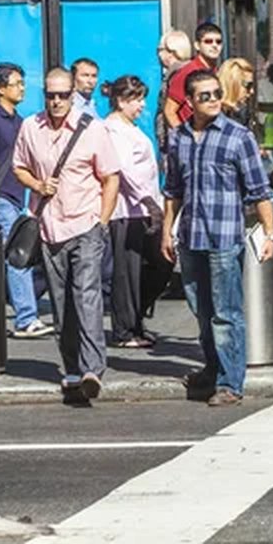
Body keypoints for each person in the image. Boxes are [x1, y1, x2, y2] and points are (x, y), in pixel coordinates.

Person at [161, 69, 273, 407]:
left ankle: (230, 383)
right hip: (191, 236)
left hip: (225, 236)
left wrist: (270, 234)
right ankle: (212, 369)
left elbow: (259, 190)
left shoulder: (238, 137)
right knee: (201, 310)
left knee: (226, 313)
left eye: (217, 93)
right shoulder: (179, 138)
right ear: (189, 101)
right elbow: (173, 189)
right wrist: (167, 231)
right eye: (205, 96)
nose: (213, 100)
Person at [13, 68, 120, 404]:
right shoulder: (31, 127)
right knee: (61, 303)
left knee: (86, 295)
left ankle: (93, 370)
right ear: (44, 95)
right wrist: (37, 184)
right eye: (51, 95)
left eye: (62, 95)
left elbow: (111, 177)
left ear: (73, 95)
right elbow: (18, 166)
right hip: (49, 227)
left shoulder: (93, 129)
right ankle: (72, 369)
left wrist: (102, 221)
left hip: (86, 224)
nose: (56, 101)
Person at [0, 63, 53, 339]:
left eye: (22, 83)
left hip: (19, 197)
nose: (22, 88)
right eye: (16, 83)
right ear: (0, 88)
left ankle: (20, 312)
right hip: (0, 198)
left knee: (18, 254)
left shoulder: (19, 121)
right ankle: (26, 318)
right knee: (18, 255)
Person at [103, 76, 168, 349]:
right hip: (127, 211)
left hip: (144, 209)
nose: (142, 105)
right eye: (136, 99)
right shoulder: (113, 129)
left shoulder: (131, 127)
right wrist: (147, 200)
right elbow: (124, 170)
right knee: (127, 272)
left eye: (142, 98)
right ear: (121, 101)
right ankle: (125, 329)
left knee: (159, 265)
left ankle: (137, 318)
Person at [165, 22, 224, 129]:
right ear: (197, 45)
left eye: (218, 42)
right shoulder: (187, 72)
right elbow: (169, 111)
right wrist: (182, 135)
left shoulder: (218, 71)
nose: (214, 45)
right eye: (208, 41)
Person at [155, 30, 193, 156]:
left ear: (172, 52)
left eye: (160, 50)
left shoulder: (180, 75)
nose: (158, 54)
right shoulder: (175, 73)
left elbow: (170, 111)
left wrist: (183, 139)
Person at [219, 57, 257, 131]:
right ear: (233, 84)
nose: (252, 91)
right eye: (248, 86)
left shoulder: (241, 112)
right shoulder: (214, 116)